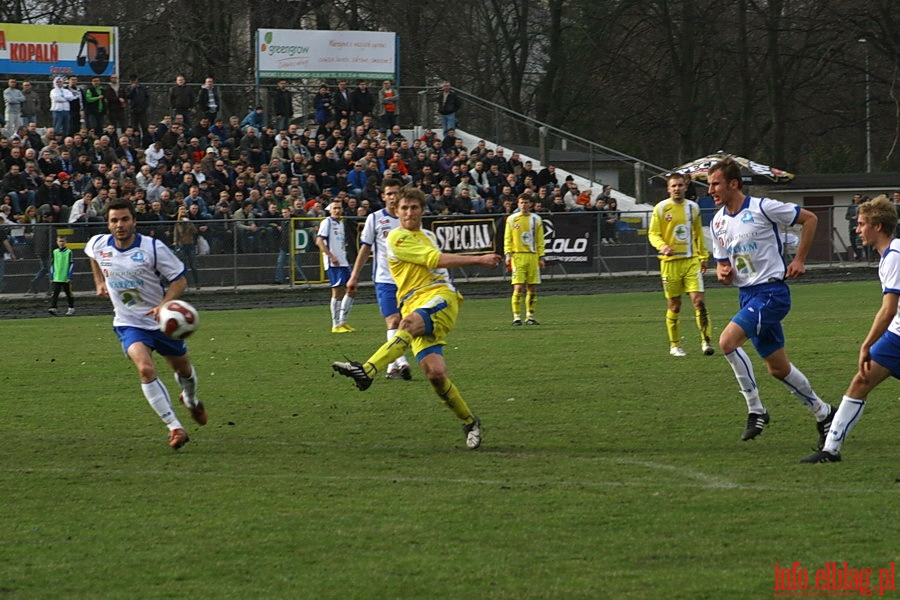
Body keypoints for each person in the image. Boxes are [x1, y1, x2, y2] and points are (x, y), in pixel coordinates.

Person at [331, 187, 502, 449]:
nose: (409, 212)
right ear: (397, 212)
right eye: (404, 208)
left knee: (405, 324)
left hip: (439, 297)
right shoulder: (397, 238)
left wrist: (463, 279)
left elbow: (436, 263)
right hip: (414, 301)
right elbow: (435, 259)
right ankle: (470, 421)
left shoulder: (428, 235)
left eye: (414, 207)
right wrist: (479, 259)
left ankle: (366, 370)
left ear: (422, 210)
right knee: (435, 374)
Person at [708, 157, 834, 445]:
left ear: (733, 184)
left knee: (727, 342)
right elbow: (722, 263)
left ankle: (756, 410)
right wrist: (723, 272)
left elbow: (810, 218)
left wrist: (800, 259)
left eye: (715, 184)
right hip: (747, 296)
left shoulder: (763, 207)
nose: (711, 190)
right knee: (778, 369)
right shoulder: (717, 222)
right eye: (710, 184)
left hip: (771, 294)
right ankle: (824, 412)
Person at [84, 199, 206, 450]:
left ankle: (191, 400)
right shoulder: (99, 244)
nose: (119, 225)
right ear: (108, 224)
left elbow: (180, 281)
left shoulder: (153, 248)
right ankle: (175, 427)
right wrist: (99, 282)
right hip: (128, 323)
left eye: (124, 219)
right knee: (145, 370)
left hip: (161, 323)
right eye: (114, 220)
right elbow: (91, 255)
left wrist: (164, 304)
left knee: (183, 371)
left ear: (134, 221)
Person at [803, 195, 897, 463]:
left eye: (861, 224)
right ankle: (830, 450)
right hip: (897, 337)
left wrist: (866, 344)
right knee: (861, 381)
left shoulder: (894, 257)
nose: (857, 230)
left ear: (877, 226)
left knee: (861, 379)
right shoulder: (890, 255)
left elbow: (888, 310)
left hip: (896, 334)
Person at [347, 178, 413, 379]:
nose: (392, 197)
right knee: (393, 321)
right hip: (385, 279)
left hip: (408, 280)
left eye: (396, 193)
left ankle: (392, 367)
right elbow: (365, 249)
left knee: (406, 323)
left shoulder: (408, 218)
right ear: (383, 196)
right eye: (389, 194)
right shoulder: (375, 219)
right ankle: (401, 361)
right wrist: (354, 276)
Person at [648, 172, 714, 357]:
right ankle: (675, 345)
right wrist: (663, 246)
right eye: (673, 186)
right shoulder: (661, 208)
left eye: (680, 185)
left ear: (685, 187)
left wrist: (703, 256)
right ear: (668, 189)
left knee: (699, 302)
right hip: (670, 264)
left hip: (691, 261)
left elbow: (697, 234)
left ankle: (706, 342)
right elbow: (653, 234)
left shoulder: (693, 208)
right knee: (675, 305)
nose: (677, 189)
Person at [504, 193, 546, 326]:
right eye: (521, 202)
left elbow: (540, 240)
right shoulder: (511, 219)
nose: (524, 205)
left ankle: (530, 316)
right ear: (518, 203)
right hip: (517, 256)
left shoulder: (537, 219)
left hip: (533, 256)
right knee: (518, 287)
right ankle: (516, 317)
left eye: (526, 202)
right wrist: (508, 254)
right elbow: (507, 238)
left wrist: (541, 256)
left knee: (532, 288)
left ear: (530, 204)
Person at [315, 201, 355, 333]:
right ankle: (335, 325)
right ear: (330, 210)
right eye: (335, 208)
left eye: (339, 208)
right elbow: (319, 241)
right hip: (333, 263)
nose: (337, 211)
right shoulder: (327, 222)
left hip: (343, 261)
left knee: (351, 289)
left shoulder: (341, 223)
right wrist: (331, 256)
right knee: (337, 292)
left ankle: (343, 322)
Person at [47, 235, 76, 316]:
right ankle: (53, 307)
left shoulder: (69, 252)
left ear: (66, 242)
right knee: (55, 293)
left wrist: (70, 276)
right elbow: (52, 264)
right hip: (57, 277)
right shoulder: (55, 252)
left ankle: (71, 308)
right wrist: (52, 275)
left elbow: (71, 264)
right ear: (57, 242)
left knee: (68, 293)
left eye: (63, 241)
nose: (61, 243)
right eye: (60, 241)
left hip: (65, 277)